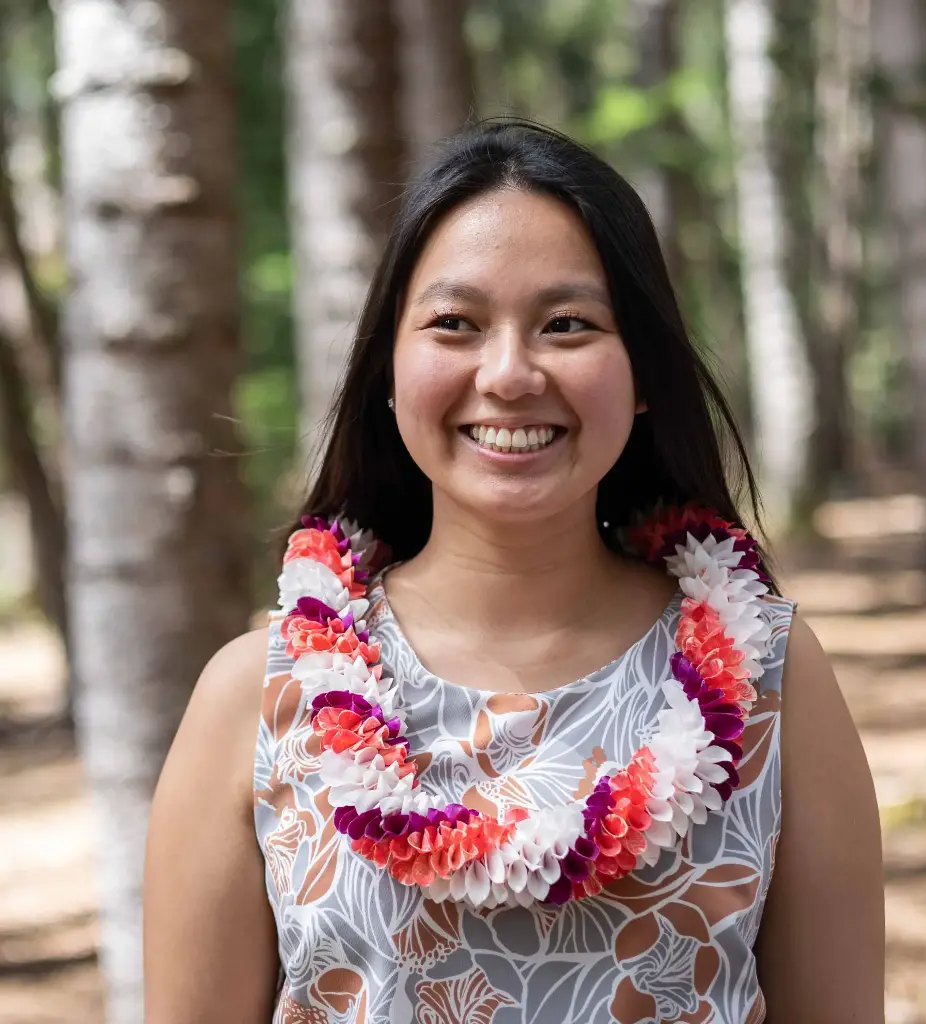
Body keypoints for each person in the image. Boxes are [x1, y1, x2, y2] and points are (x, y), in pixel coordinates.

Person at [143, 120, 884, 1024]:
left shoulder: (773, 681)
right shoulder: (256, 698)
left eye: (567, 325)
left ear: (642, 371)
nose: (509, 373)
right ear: (388, 366)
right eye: (455, 324)